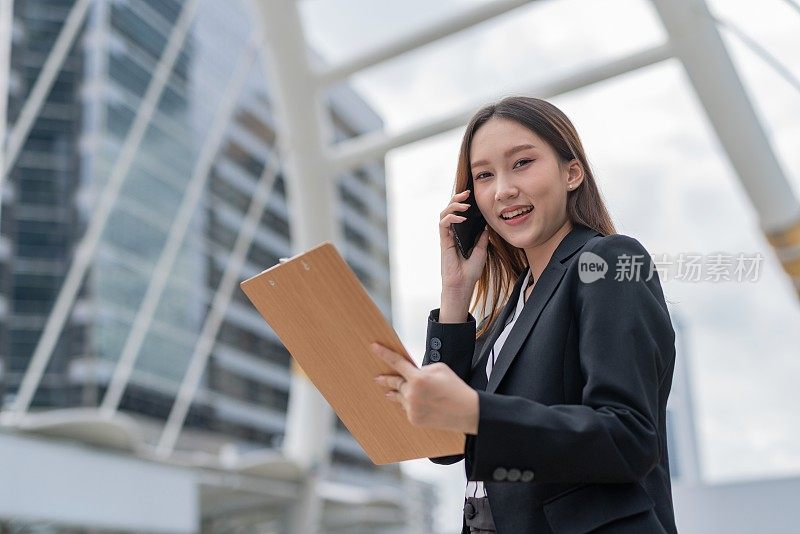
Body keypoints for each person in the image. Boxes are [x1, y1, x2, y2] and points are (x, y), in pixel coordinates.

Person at [370, 96, 677, 534]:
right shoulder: (511, 308)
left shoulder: (605, 262)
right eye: (483, 176)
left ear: (572, 173)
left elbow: (627, 438)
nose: (503, 190)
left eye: (522, 163)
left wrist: (478, 411)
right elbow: (443, 445)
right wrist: (456, 293)